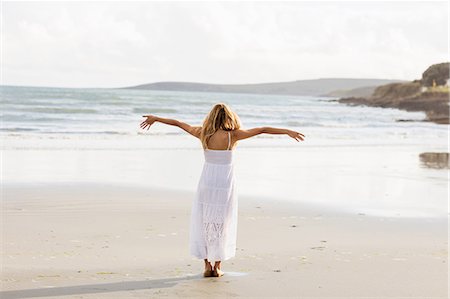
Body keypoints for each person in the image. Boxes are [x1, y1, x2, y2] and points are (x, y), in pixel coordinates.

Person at [140, 103, 305, 277]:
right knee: (222, 221)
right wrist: (287, 131)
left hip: (207, 180)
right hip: (224, 183)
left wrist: (156, 119)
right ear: (229, 117)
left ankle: (206, 266)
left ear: (210, 117)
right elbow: (262, 129)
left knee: (205, 221)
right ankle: (217, 267)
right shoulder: (232, 135)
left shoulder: (202, 133)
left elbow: (179, 123)